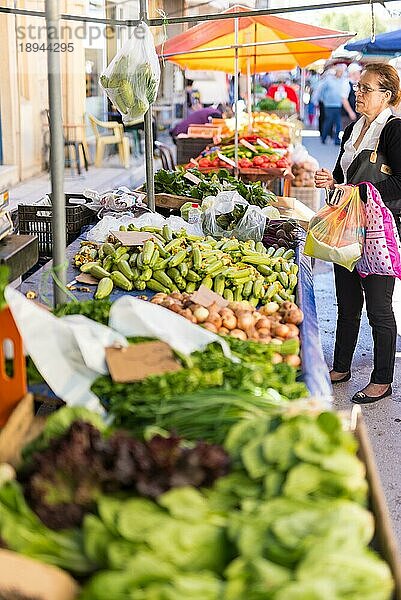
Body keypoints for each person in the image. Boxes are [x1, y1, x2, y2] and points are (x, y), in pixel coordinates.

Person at [314, 63, 401, 404]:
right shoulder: (353, 128)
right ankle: (341, 367)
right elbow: (341, 174)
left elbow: (400, 183)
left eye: (366, 89)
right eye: (358, 87)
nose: (358, 93)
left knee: (379, 307)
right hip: (347, 227)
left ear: (388, 95)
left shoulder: (394, 130)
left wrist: (356, 192)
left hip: (378, 231)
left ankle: (382, 380)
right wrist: (331, 183)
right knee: (347, 303)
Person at [317, 64, 348, 145]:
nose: (340, 73)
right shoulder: (329, 80)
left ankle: (337, 140)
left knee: (338, 123)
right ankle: (323, 137)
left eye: (342, 72)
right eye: (339, 71)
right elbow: (322, 90)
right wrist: (322, 100)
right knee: (328, 122)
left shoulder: (343, 81)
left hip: (338, 105)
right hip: (328, 105)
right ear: (336, 72)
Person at [342, 63, 362, 129]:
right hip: (347, 115)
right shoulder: (346, 83)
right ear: (353, 73)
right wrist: (351, 112)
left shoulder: (357, 83)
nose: (360, 74)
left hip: (356, 114)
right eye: (358, 72)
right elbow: (344, 100)